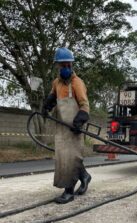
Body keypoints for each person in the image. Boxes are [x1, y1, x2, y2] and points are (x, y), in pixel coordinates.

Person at [43, 47, 92, 204]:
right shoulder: (56, 83)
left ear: (72, 65)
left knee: (71, 158)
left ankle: (68, 191)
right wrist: (46, 107)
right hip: (62, 128)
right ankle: (84, 176)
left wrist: (79, 121)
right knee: (64, 157)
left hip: (74, 128)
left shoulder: (77, 83)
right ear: (58, 66)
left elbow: (85, 105)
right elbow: (52, 97)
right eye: (62, 65)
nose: (65, 68)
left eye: (68, 65)